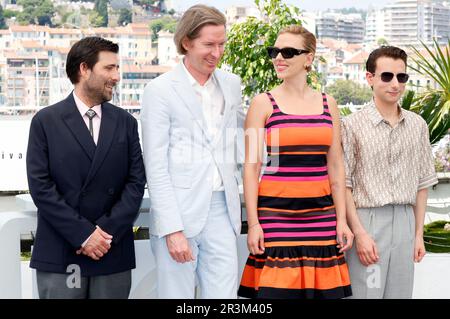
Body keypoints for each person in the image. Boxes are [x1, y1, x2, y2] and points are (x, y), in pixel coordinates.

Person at [238, 25, 353, 299]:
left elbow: (336, 167)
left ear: (309, 58)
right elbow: (251, 167)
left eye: (288, 52)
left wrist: (341, 221)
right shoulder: (262, 104)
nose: (279, 57)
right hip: (276, 218)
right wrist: (253, 223)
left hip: (322, 216)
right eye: (274, 51)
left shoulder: (329, 103)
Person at [26, 37, 146, 299]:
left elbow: (136, 183)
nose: (116, 76)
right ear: (84, 69)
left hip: (111, 249)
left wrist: (103, 235)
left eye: (117, 69)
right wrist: (83, 235)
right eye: (109, 68)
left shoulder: (126, 122)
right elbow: (41, 188)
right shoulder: (45, 121)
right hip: (61, 251)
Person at [141, 5, 244, 299]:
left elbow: (241, 142)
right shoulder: (159, 90)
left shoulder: (231, 84)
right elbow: (156, 165)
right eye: (209, 44)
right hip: (179, 213)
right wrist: (172, 229)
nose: (217, 52)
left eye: (222, 44)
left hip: (223, 211)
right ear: (186, 42)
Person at [341, 46, 438, 299]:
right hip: (368, 223)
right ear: (370, 78)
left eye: (401, 77)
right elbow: (344, 185)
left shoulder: (418, 125)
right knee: (366, 294)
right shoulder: (351, 126)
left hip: (406, 224)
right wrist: (360, 233)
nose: (395, 84)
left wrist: (418, 235)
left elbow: (422, 183)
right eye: (387, 76)